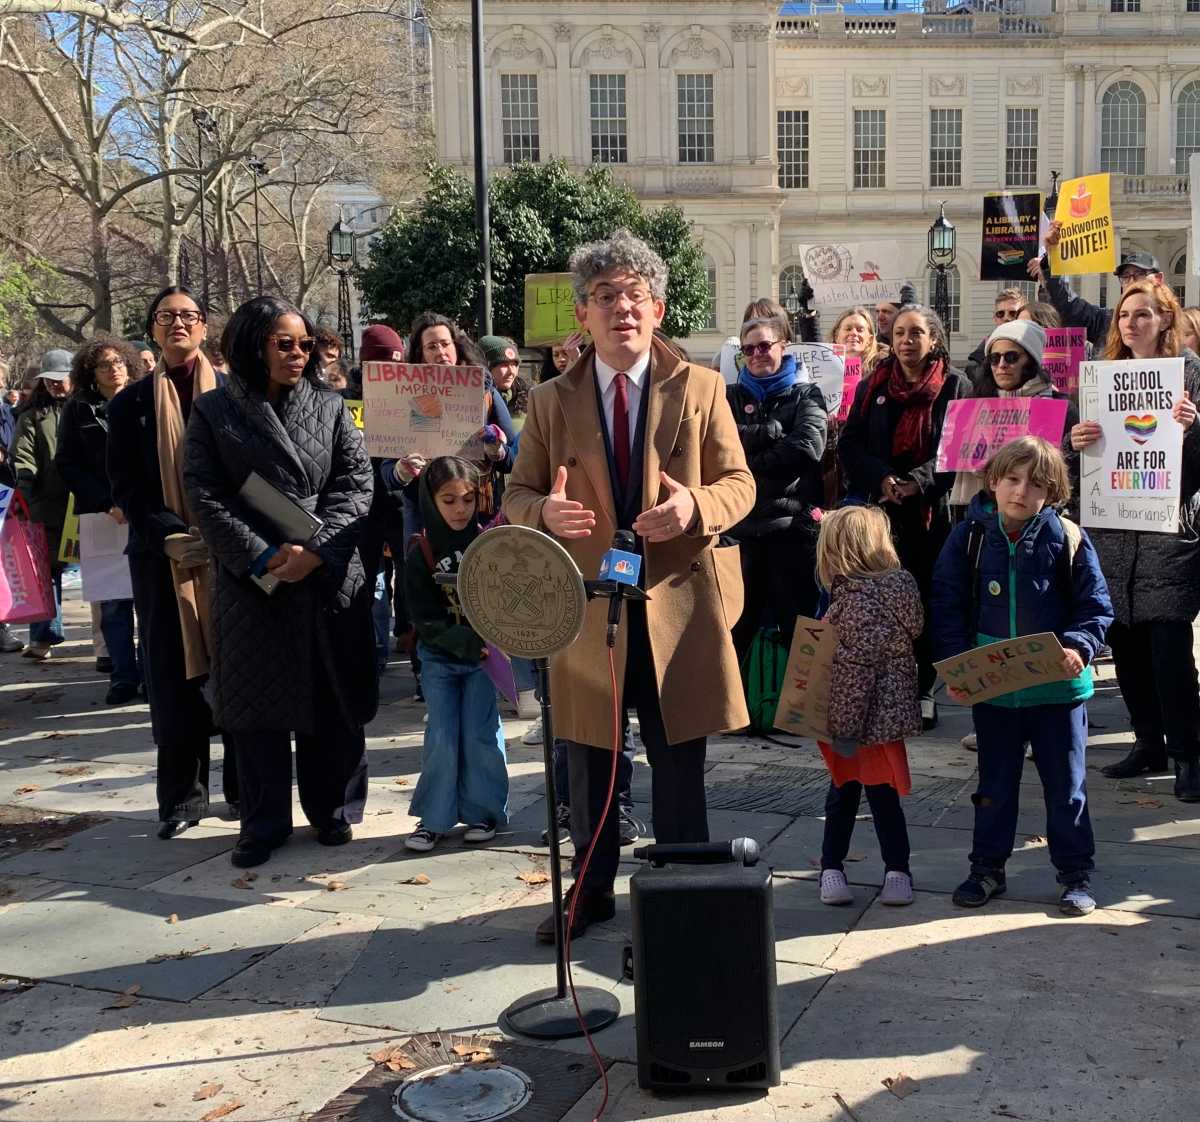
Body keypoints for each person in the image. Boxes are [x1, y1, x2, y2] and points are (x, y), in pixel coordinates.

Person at [504, 228, 755, 943]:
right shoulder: (550, 399)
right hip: (589, 609)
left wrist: (694, 506)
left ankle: (680, 895)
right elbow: (517, 494)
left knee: (680, 765)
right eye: (605, 296)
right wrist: (544, 513)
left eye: (635, 295)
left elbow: (740, 484)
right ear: (582, 313)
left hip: (678, 603)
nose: (622, 308)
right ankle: (590, 892)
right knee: (589, 761)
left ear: (658, 308)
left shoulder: (701, 387)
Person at [183, 295, 377, 868]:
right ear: (253, 345)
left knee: (331, 700)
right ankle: (261, 822)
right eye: (284, 344)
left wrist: (315, 551)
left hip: (326, 575)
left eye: (306, 344)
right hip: (254, 581)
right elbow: (204, 492)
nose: (299, 354)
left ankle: (333, 809)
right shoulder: (214, 411)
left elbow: (356, 486)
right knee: (256, 709)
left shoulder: (332, 407)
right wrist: (262, 555)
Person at [932, 437, 1113, 915]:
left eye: (1035, 484)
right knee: (993, 786)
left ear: (1051, 493)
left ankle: (1075, 875)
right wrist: (956, 664)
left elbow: (1095, 605)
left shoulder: (1069, 537)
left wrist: (1079, 645)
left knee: (1067, 787)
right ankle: (986, 869)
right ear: (993, 481)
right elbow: (948, 604)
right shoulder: (968, 538)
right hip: (997, 692)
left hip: (1058, 690)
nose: (1021, 491)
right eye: (1012, 479)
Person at [107, 286, 238, 838]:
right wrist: (168, 535)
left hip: (231, 555)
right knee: (171, 675)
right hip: (162, 559)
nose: (178, 324)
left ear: (205, 327)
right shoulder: (129, 404)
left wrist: (223, 531)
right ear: (152, 330)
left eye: (189, 316)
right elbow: (126, 487)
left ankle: (245, 791)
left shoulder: (235, 394)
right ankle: (183, 799)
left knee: (238, 670)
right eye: (167, 316)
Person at [1068, 281, 1200, 801]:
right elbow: (1080, 456)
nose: (1131, 323)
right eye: (1125, 315)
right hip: (1114, 531)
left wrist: (1195, 427)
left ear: (1165, 319)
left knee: (1169, 650)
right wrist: (1075, 441)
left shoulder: (1190, 374)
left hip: (1169, 534)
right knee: (1125, 648)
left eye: (1143, 314)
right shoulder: (1103, 378)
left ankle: (1188, 754)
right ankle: (1148, 742)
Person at [838, 303, 970, 729]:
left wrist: (917, 481)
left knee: (924, 600)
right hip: (881, 511)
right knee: (882, 600)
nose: (906, 341)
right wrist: (882, 478)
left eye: (916, 333)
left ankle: (924, 689)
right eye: (899, 333)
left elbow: (957, 449)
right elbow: (850, 444)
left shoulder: (955, 385)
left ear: (933, 339)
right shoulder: (873, 384)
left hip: (931, 513)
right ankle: (885, 687)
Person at [813, 506, 923, 908]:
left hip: (857, 723)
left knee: (843, 794)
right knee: (884, 799)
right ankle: (897, 871)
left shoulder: (857, 602)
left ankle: (832, 869)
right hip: (887, 721)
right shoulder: (899, 588)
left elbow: (853, 673)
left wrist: (842, 729)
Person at [402, 457, 509, 851]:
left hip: (483, 661)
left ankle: (484, 813)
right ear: (430, 501)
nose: (460, 509)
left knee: (481, 735)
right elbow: (423, 616)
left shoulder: (488, 541)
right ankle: (433, 820)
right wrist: (461, 640)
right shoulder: (420, 551)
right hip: (439, 659)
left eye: (467, 499)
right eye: (448, 500)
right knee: (442, 737)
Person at [727, 314, 826, 661]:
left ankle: (806, 700)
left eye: (764, 346)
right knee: (734, 637)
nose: (756, 354)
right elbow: (718, 447)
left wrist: (748, 460)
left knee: (801, 640)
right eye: (748, 349)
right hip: (741, 534)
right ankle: (735, 699)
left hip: (791, 533)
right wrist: (771, 433)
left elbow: (807, 447)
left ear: (783, 346)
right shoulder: (728, 397)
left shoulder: (807, 394)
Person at [55, 336, 143, 704]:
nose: (113, 369)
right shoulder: (78, 409)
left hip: (145, 512)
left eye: (118, 362)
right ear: (91, 372)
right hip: (102, 517)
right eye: (104, 365)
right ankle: (123, 676)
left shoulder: (145, 399)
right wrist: (107, 503)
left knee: (149, 599)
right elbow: (67, 464)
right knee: (114, 602)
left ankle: (151, 676)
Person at [13, 349, 73, 660]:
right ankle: (43, 637)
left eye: (60, 379)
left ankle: (108, 647)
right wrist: (25, 485)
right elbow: (22, 455)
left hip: (87, 505)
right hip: (45, 507)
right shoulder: (33, 416)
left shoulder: (89, 408)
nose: (54, 385)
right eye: (49, 380)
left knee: (101, 573)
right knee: (45, 571)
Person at [1031, 244, 1164, 347]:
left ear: (1158, 278)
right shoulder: (1105, 322)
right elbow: (1067, 306)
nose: (1132, 281)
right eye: (1125, 276)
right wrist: (1049, 266)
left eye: (1140, 274)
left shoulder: (1171, 328)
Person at [965, 288, 1028, 385]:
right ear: (995, 318)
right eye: (1000, 314)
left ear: (1023, 317)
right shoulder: (978, 359)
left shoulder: (1035, 346)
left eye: (1013, 313)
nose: (1006, 318)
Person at [480, 335, 529, 432]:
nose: (511, 372)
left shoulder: (528, 397)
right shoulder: (475, 400)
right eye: (504, 365)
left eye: (514, 365)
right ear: (487, 368)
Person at [830, 306, 886, 374]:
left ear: (870, 339)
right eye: (848, 329)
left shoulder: (884, 366)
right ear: (836, 336)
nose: (854, 333)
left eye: (860, 330)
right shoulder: (824, 367)